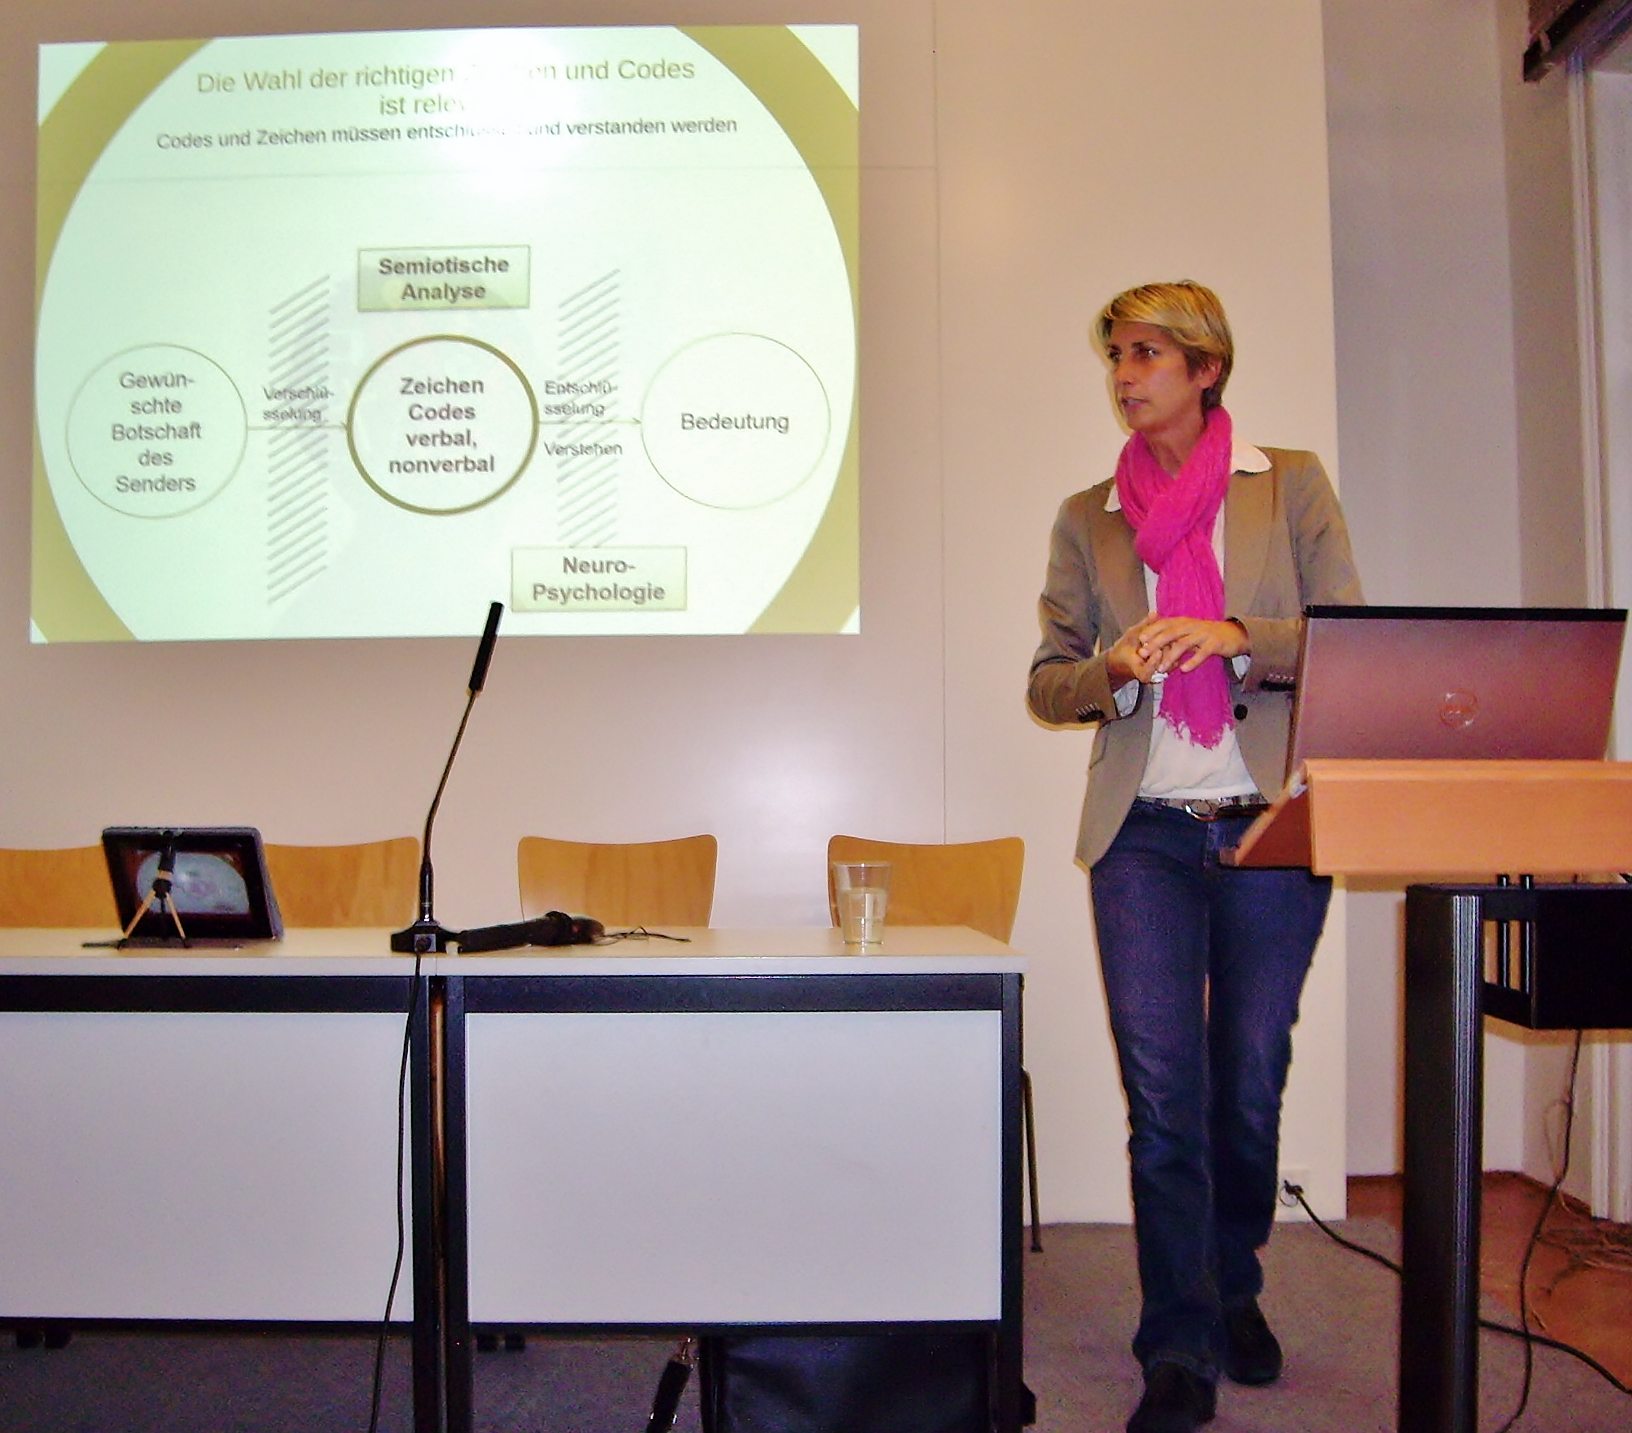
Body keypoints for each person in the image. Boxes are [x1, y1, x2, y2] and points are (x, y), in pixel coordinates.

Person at [1026, 281, 1363, 1433]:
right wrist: (1115, 667)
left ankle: (1235, 1286)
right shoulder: (1089, 517)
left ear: (1206, 368)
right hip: (1145, 839)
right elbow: (1048, 680)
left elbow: (1348, 637)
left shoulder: (1288, 482)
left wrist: (1235, 637)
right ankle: (1177, 1340)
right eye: (1116, 355)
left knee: (1248, 1081)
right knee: (1165, 1096)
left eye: (1147, 353)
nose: (1125, 375)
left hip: (1267, 825)